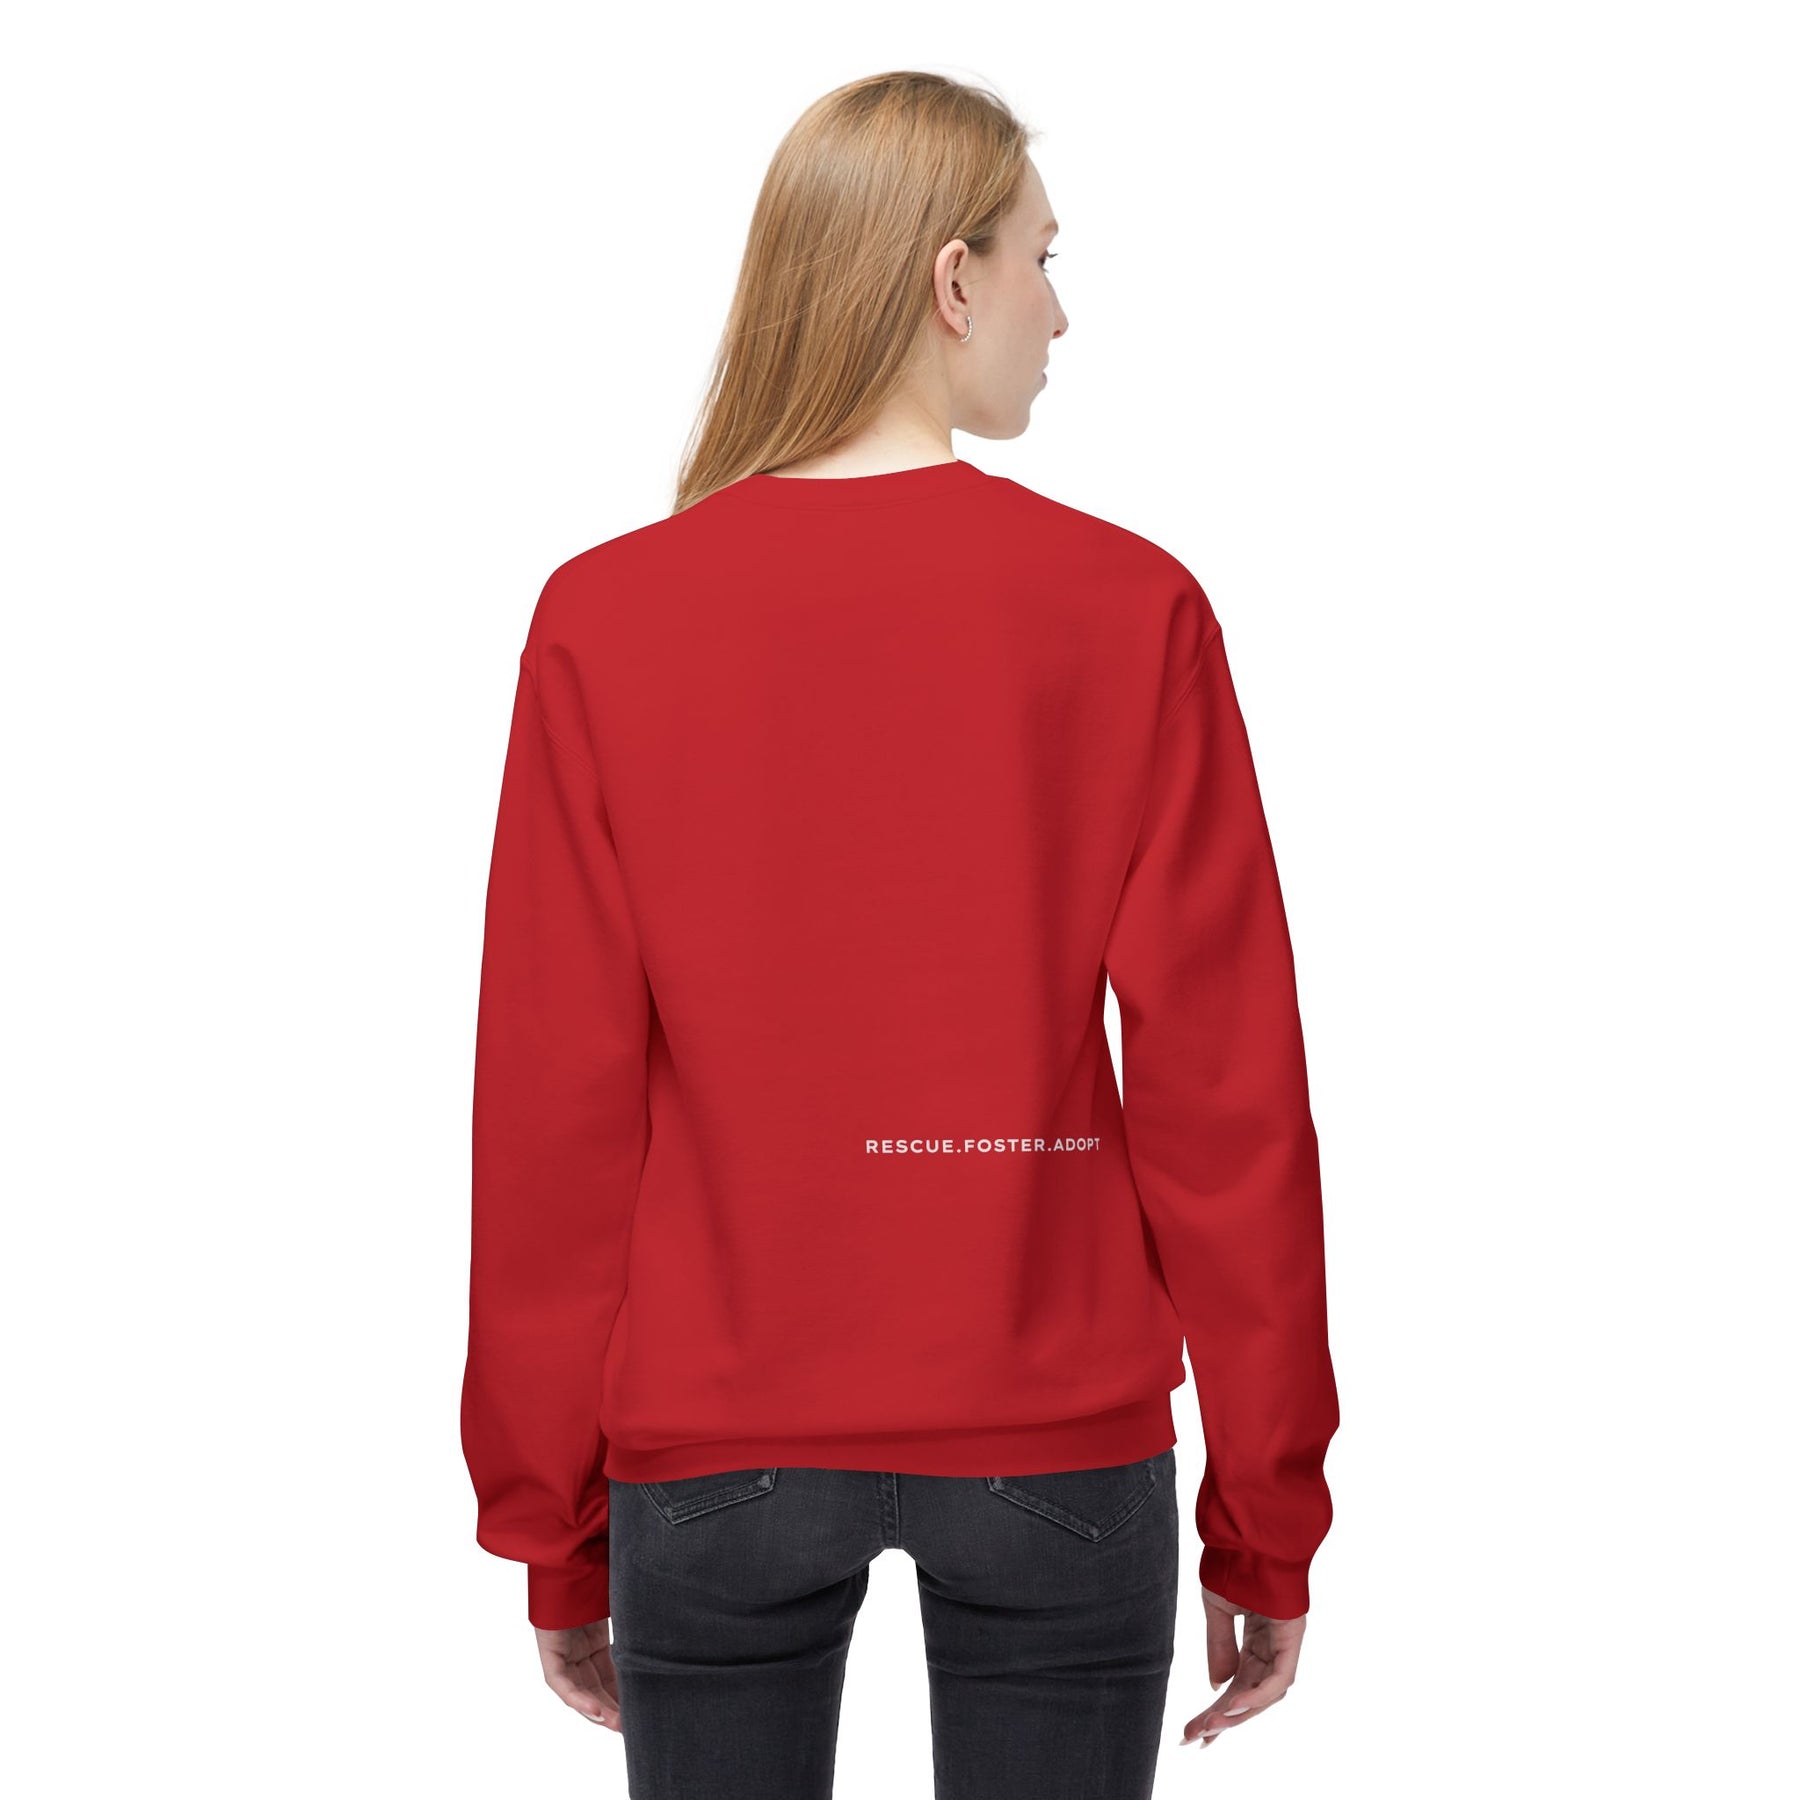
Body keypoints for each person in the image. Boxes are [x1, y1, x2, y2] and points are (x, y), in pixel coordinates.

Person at [460, 69, 1339, 1799]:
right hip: (1054, 1443)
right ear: (952, 280)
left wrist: (553, 1526)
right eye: (1040, 260)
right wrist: (1265, 1513)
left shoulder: (605, 622)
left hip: (709, 1457)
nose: (1057, 313)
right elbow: (1226, 1102)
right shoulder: (1128, 609)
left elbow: (553, 1112)